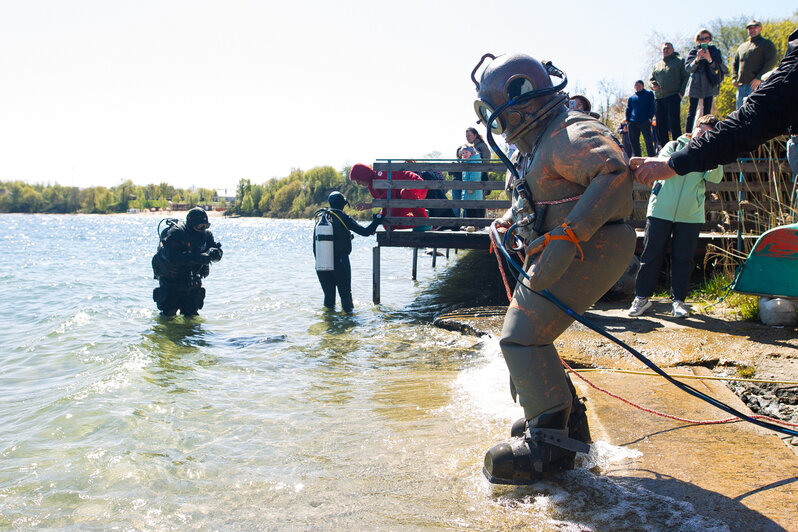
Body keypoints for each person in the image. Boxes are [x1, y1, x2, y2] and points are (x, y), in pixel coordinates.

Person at [472, 53, 635, 484]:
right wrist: (509, 223)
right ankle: (566, 427)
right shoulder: (534, 144)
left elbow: (615, 174)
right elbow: (536, 197)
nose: (494, 121)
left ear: (520, 96)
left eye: (494, 110)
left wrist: (571, 233)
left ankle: (550, 449)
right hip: (553, 249)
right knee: (528, 338)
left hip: (589, 246)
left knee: (521, 340)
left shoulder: (568, 132)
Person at [631, 28, 798, 186]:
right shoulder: (688, 55)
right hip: (695, 93)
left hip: (710, 92)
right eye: (700, 39)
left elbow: (752, 118)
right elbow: (691, 69)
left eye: (706, 38)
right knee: (690, 114)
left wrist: (676, 162)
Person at [628, 115, 723, 319]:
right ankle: (641, 298)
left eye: (708, 133)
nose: (702, 135)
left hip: (690, 214)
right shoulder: (674, 145)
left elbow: (714, 178)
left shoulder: (709, 154)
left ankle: (678, 302)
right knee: (651, 255)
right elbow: (661, 166)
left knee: (684, 258)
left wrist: (713, 153)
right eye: (701, 130)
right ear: (694, 129)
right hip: (661, 209)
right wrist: (691, 153)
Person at [314, 191, 382, 312]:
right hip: (340, 262)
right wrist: (377, 219)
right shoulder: (344, 218)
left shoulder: (321, 219)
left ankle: (329, 324)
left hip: (321, 263)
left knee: (329, 297)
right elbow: (365, 232)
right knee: (345, 295)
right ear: (343, 204)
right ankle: (349, 325)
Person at [152, 207, 223, 316]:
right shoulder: (177, 233)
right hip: (172, 282)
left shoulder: (206, 235)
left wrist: (216, 253)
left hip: (192, 281)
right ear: (191, 224)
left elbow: (217, 254)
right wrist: (198, 258)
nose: (203, 228)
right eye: (200, 226)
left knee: (191, 314)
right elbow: (172, 258)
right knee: (168, 315)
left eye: (206, 226)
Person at [349, 163, 429, 230]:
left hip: (417, 187)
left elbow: (390, 195)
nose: (358, 184)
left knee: (406, 192)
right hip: (402, 198)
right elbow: (386, 205)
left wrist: (370, 205)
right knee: (388, 224)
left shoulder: (380, 174)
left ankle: (424, 220)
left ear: (363, 176)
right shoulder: (371, 187)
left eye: (358, 180)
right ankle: (422, 218)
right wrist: (374, 226)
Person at [684, 29, 728, 133]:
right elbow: (688, 68)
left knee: (707, 112)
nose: (703, 40)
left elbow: (718, 67)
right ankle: (688, 134)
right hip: (695, 83)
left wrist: (709, 59)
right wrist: (697, 59)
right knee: (692, 112)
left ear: (710, 39)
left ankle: (707, 133)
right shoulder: (693, 52)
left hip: (709, 82)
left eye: (706, 38)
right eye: (701, 38)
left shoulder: (714, 51)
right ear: (697, 40)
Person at [733, 20, 778, 109]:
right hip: (741, 87)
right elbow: (735, 63)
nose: (752, 30)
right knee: (739, 116)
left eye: (755, 27)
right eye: (750, 28)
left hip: (756, 86)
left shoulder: (766, 44)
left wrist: (759, 78)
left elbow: (771, 62)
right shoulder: (742, 47)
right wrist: (734, 78)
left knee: (755, 113)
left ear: (760, 28)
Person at [650, 42, 688, 146]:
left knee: (674, 123)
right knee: (660, 124)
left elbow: (686, 77)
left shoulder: (679, 61)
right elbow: (652, 79)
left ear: (672, 49)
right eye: (664, 49)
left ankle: (678, 146)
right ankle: (663, 148)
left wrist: (681, 93)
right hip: (659, 98)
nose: (666, 50)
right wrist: (653, 85)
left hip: (673, 96)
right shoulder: (657, 65)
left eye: (668, 48)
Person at [625, 80, 656, 156]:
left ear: (642, 85)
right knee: (634, 142)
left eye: (639, 85)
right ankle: (637, 158)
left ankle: (651, 157)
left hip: (645, 121)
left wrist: (650, 117)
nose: (638, 86)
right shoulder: (631, 98)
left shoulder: (649, 94)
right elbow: (628, 109)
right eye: (636, 85)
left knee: (648, 140)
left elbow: (652, 106)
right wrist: (628, 120)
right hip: (633, 122)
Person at [458, 145, 483, 223]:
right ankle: (470, 225)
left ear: (472, 153)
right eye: (463, 153)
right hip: (468, 190)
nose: (464, 154)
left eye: (466, 152)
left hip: (472, 190)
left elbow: (475, 177)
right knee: (468, 208)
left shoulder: (473, 162)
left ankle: (474, 225)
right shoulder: (467, 163)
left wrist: (471, 187)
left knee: (473, 208)